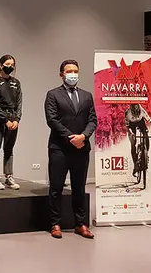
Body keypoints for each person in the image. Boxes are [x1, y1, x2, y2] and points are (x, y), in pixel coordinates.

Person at [44, 59, 97, 239]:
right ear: (62, 74)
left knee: (79, 187)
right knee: (56, 187)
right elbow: (52, 120)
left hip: (82, 148)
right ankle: (55, 223)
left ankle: (80, 224)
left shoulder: (87, 95)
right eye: (69, 71)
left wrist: (83, 136)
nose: (72, 74)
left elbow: (93, 120)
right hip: (59, 148)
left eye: (75, 70)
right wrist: (71, 137)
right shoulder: (53, 94)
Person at [0, 55, 23, 190]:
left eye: (13, 64)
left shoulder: (16, 83)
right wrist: (5, 119)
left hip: (13, 118)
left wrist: (17, 119)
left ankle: (9, 176)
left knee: (9, 149)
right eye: (8, 64)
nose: (11, 66)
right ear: (1, 65)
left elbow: (19, 102)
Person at [125, 104, 151, 177]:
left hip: (141, 122)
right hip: (131, 125)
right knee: (133, 143)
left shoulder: (142, 111)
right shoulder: (128, 113)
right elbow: (127, 126)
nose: (136, 112)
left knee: (146, 135)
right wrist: (131, 133)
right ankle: (135, 165)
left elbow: (150, 122)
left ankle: (146, 154)